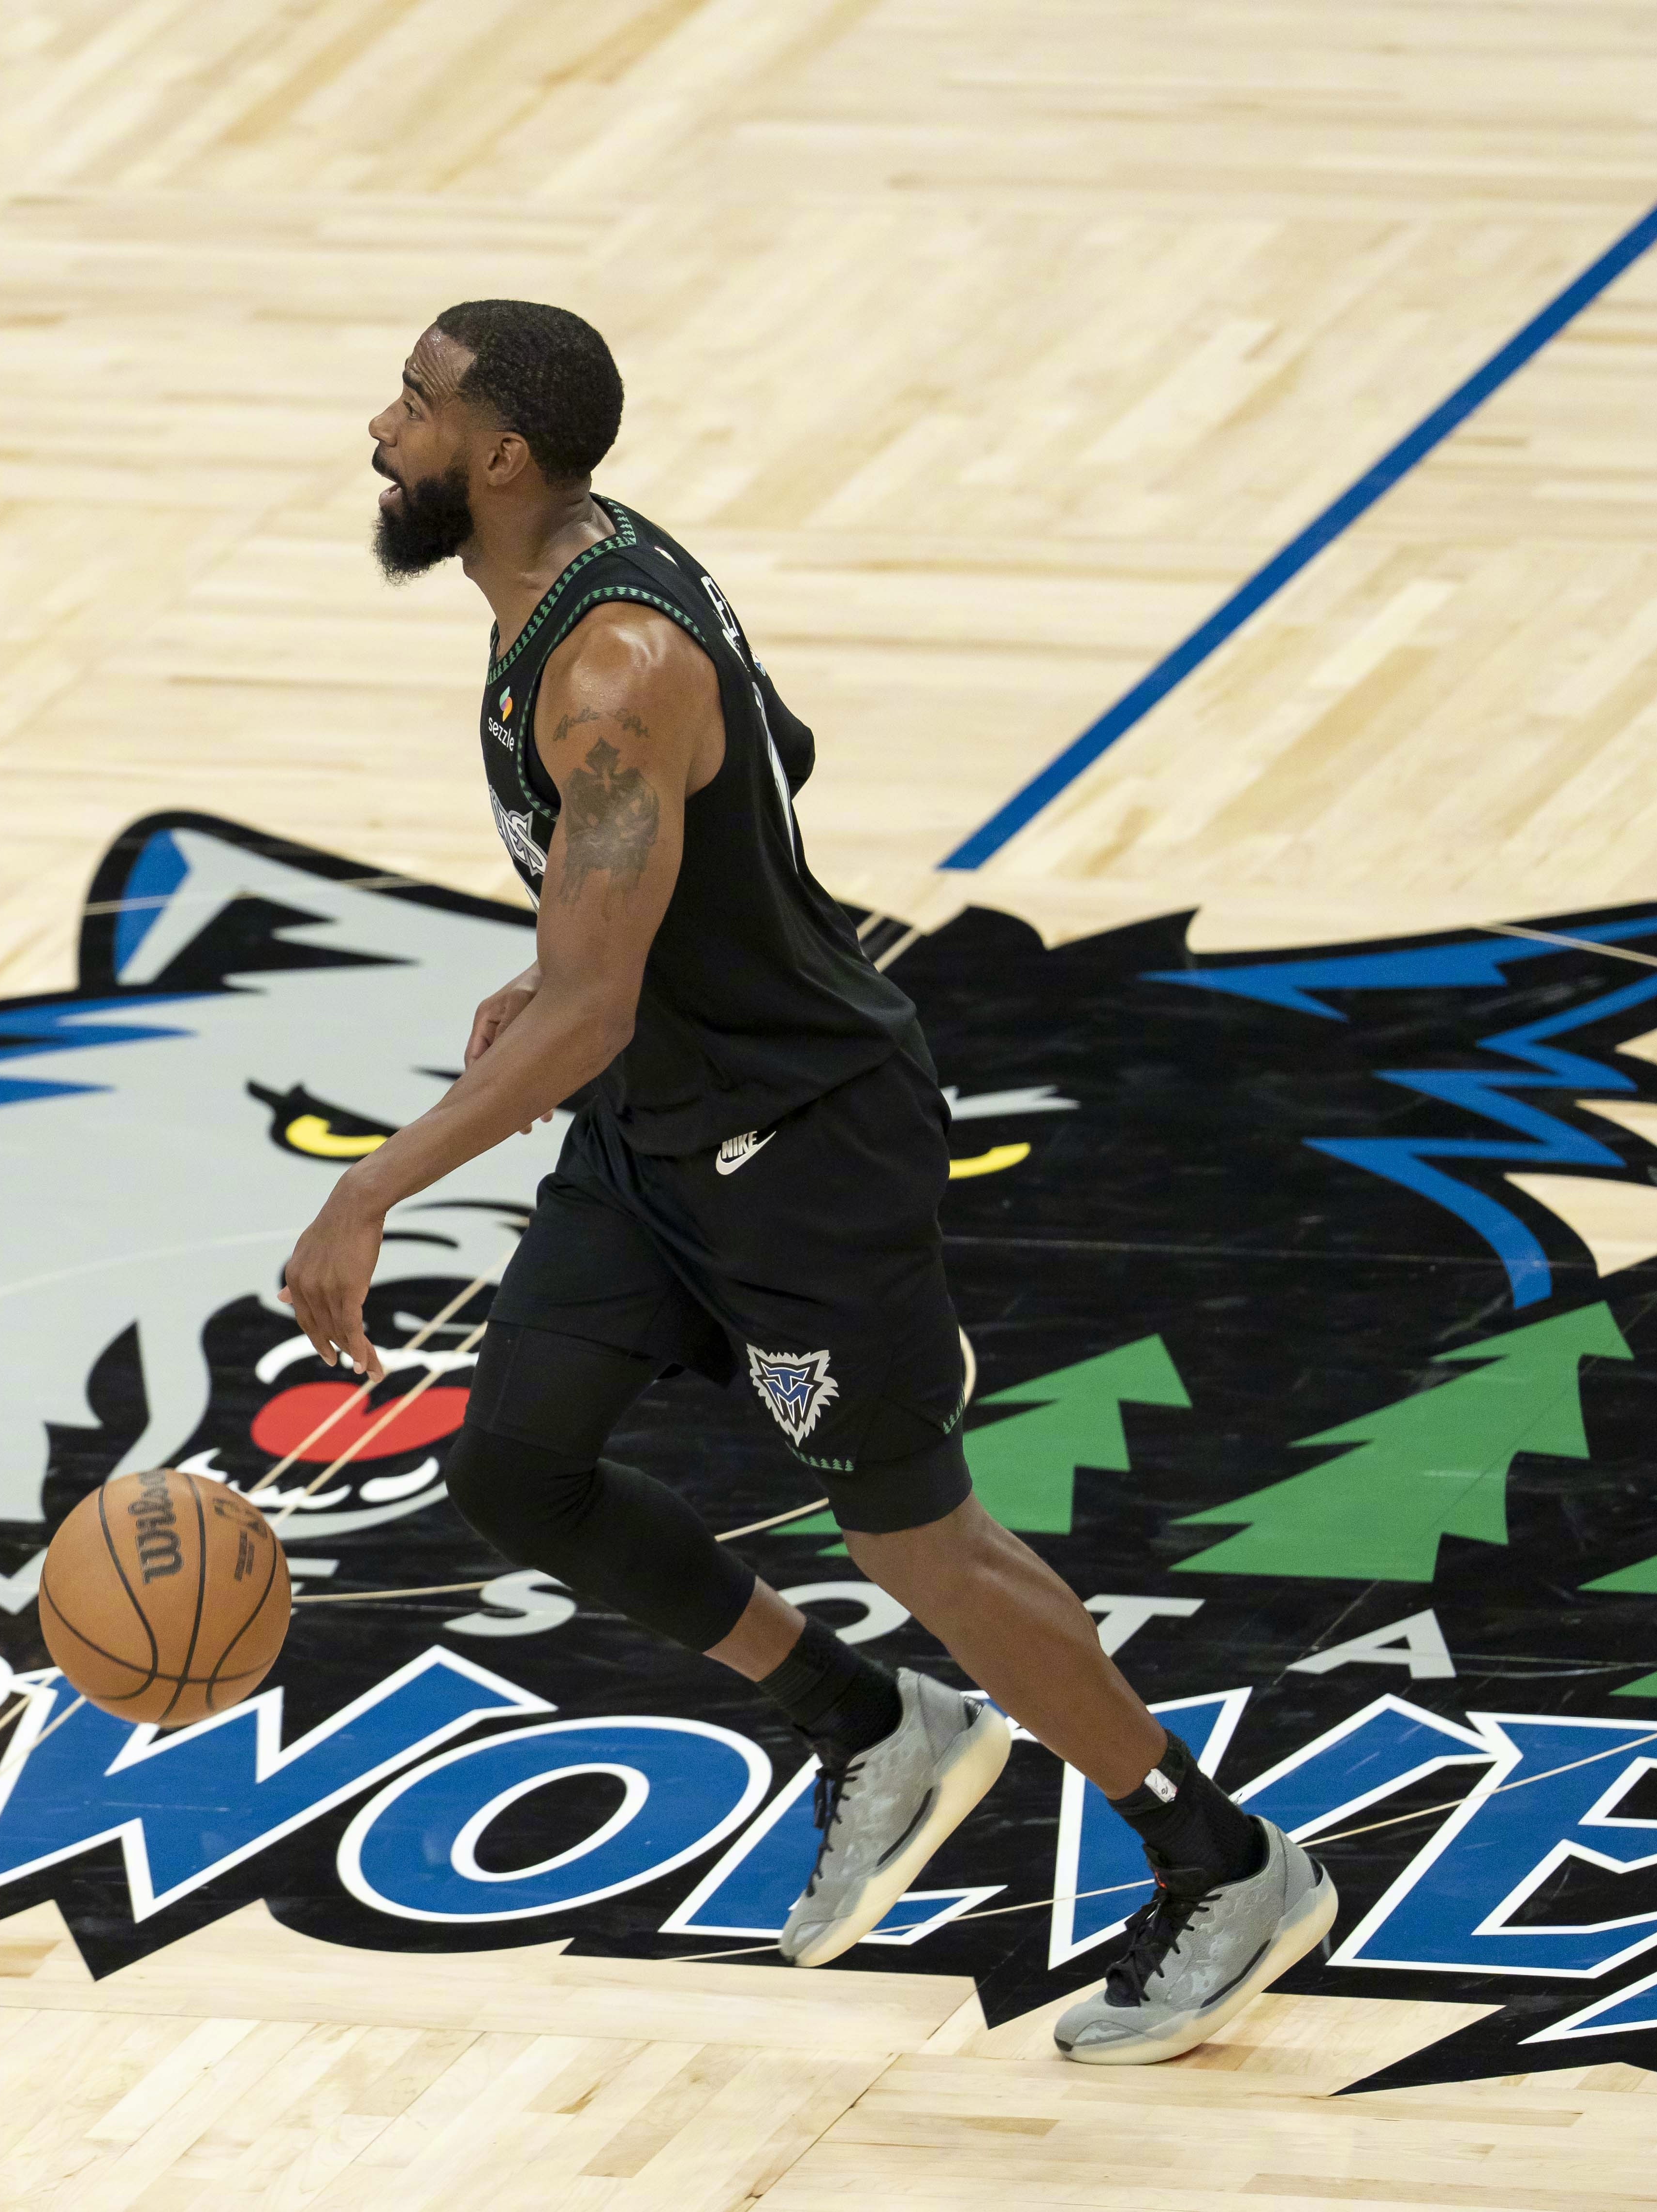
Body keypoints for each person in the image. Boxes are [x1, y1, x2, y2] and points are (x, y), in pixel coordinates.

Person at [276, 300, 1334, 2065]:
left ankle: (1223, 1863)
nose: (383, 429)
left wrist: (371, 1189)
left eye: (418, 404)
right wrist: (575, 950)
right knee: (519, 1464)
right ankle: (870, 1723)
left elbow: (599, 1004)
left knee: (919, 1539)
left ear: (504, 457)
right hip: (655, 1129)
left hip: (802, 1149)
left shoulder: (610, 673)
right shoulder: (584, 567)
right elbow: (783, 762)